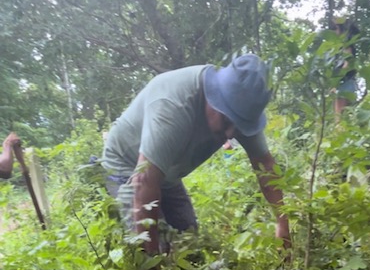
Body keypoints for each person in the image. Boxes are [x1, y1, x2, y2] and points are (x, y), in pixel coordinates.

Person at [102, 54, 290, 254]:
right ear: (213, 97)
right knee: (153, 249)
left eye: (239, 126)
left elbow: (265, 166)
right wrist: (152, 262)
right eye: (226, 122)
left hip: (166, 172)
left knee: (190, 245)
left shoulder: (240, 110)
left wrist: (283, 224)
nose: (230, 134)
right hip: (127, 166)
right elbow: (144, 182)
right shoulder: (173, 107)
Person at [331, 19, 360, 118]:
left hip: (345, 81)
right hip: (344, 82)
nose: (334, 32)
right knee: (339, 115)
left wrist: (336, 82)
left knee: (339, 115)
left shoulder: (347, 45)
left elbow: (347, 64)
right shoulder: (341, 47)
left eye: (335, 28)